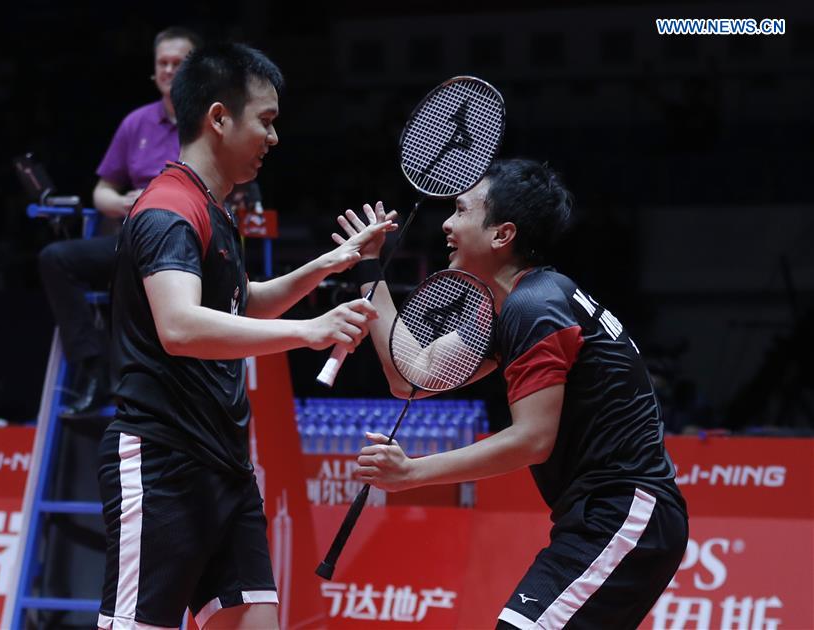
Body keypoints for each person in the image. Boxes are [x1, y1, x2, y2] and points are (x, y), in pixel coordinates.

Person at [96, 42, 395, 630]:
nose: (274, 137)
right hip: (163, 461)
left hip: (224, 465)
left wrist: (328, 265)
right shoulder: (169, 211)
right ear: (218, 118)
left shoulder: (213, 209)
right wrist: (311, 330)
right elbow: (180, 326)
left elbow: (242, 302)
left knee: (251, 620)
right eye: (267, 120)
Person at [340, 159, 688, 629]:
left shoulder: (535, 307)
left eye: (461, 211)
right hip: (601, 517)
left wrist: (412, 472)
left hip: (625, 512)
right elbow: (410, 375)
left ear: (502, 235)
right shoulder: (510, 308)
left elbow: (531, 440)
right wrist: (368, 262)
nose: (446, 222)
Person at [38, 27, 201, 417]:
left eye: (178, 64)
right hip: (133, 239)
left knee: (132, 280)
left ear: (197, 69)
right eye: (162, 63)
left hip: (187, 243)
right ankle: (95, 369)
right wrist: (123, 202)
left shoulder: (211, 119)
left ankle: (154, 387)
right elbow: (102, 190)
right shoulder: (136, 123)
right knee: (55, 258)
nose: (168, 71)